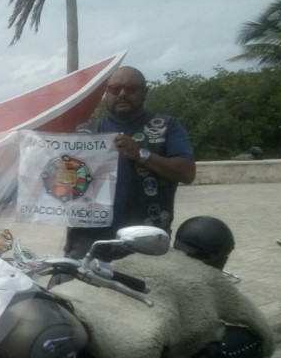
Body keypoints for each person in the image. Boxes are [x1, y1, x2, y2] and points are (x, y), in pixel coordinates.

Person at [64, 66, 196, 258]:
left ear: (145, 93)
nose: (123, 94)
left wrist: (141, 154)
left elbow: (187, 173)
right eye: (115, 89)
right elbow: (67, 181)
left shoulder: (167, 127)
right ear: (106, 93)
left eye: (131, 89)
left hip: (144, 239)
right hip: (88, 240)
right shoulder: (84, 132)